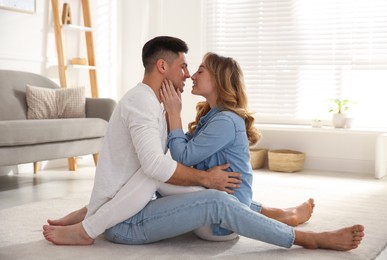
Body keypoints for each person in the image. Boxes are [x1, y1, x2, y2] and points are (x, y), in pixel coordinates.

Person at [43, 37, 364, 251]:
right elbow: (157, 168)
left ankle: (90, 218)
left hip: (130, 207)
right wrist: (205, 178)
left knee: (183, 181)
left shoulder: (152, 104)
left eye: (195, 70)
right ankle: (309, 239)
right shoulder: (143, 105)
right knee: (202, 192)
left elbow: (147, 171)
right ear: (162, 67)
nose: (187, 75)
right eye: (184, 67)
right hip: (124, 223)